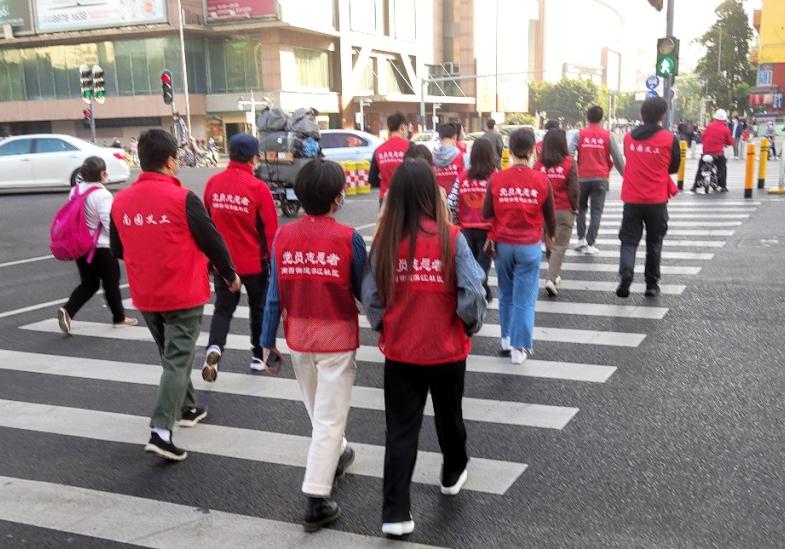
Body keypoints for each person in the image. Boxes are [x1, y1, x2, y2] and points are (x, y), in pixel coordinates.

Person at [362, 158, 486, 537]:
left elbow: (371, 298)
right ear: (433, 194)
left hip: (401, 352)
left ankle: (395, 512)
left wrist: (386, 325)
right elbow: (473, 292)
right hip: (447, 350)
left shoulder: (384, 241)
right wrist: (468, 325)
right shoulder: (452, 238)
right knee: (449, 416)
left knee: (401, 430)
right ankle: (452, 471)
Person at [110, 129, 240, 462]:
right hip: (183, 293)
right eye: (177, 158)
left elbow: (117, 249)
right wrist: (229, 275)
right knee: (177, 359)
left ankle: (188, 407)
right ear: (169, 161)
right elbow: (212, 242)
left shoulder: (120, 201)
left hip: (146, 292)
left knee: (172, 357)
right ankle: (161, 431)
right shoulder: (183, 199)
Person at [261, 159, 367, 533]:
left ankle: (338, 452)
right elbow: (366, 292)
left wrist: (266, 341)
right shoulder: (349, 239)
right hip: (336, 340)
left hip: (299, 339)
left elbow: (274, 294)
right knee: (328, 417)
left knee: (318, 410)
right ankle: (316, 498)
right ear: (338, 198)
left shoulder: (283, 237)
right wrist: (388, 326)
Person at [201, 134, 278, 380]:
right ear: (254, 158)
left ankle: (214, 347)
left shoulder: (213, 184)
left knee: (223, 309)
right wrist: (274, 263)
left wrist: (210, 261)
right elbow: (271, 230)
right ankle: (258, 356)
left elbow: (207, 225)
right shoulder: (258, 188)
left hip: (224, 263)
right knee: (258, 309)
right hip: (254, 263)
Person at [483, 129, 556, 364]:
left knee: (505, 292)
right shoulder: (541, 180)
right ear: (533, 150)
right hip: (529, 246)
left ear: (510, 150)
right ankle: (519, 347)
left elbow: (486, 212)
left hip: (503, 245)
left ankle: (506, 338)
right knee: (524, 298)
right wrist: (551, 238)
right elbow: (550, 217)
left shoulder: (497, 179)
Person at [57, 157, 137, 334]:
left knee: (89, 284)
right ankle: (119, 318)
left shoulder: (75, 190)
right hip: (101, 247)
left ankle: (68, 310)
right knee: (111, 283)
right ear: (102, 173)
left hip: (80, 245)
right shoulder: (102, 195)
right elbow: (109, 223)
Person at [617, 97, 680, 299]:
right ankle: (651, 285)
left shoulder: (628, 138)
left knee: (629, 240)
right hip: (656, 200)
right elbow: (674, 167)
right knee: (654, 242)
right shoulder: (669, 139)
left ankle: (626, 272)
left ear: (641, 115)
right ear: (663, 115)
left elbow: (629, 157)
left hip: (632, 199)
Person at [569, 106, 625, 255]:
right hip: (601, 178)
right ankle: (590, 242)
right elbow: (617, 158)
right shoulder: (607, 135)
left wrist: (571, 172)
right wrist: (625, 176)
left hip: (582, 178)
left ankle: (581, 238)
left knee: (580, 208)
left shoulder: (579, 134)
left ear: (587, 117)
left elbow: (569, 154)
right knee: (596, 211)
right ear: (602, 118)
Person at [447, 137, 496, 301]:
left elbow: (451, 203)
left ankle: (477, 294)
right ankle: (482, 293)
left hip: (465, 229)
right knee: (483, 264)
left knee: (469, 264)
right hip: (488, 231)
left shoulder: (463, 176)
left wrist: (456, 221)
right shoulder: (495, 177)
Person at [534, 129, 579, 297]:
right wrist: (575, 207)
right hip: (563, 209)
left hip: (542, 211)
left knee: (549, 242)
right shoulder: (569, 162)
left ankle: (553, 273)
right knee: (560, 245)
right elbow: (573, 190)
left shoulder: (538, 165)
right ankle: (551, 278)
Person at [369, 112, 411, 203]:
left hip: (386, 197)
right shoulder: (411, 147)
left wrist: (386, 183)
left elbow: (372, 178)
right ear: (403, 127)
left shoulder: (379, 150)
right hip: (407, 196)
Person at [693, 109, 733, 192]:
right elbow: (730, 142)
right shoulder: (725, 129)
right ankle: (723, 186)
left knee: (700, 168)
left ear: (715, 118)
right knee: (722, 168)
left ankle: (694, 186)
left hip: (706, 153)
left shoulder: (709, 126)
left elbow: (702, 137)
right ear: (725, 119)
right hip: (718, 154)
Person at [433, 123, 467, 195]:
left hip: (439, 199)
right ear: (455, 137)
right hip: (457, 199)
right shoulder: (463, 158)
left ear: (439, 138)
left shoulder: (432, 160)